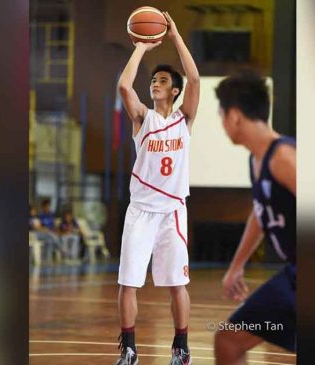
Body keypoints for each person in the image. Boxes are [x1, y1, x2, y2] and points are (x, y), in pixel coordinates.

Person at [114, 10, 200, 365]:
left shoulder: (184, 119)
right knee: (127, 284)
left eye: (162, 81)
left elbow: (194, 78)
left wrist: (176, 37)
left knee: (177, 285)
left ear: (175, 91)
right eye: (153, 81)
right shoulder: (142, 118)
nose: (155, 84)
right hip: (141, 211)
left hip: (173, 212)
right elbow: (123, 86)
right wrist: (141, 47)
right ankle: (130, 350)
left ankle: (181, 347)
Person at [213, 70, 297, 364]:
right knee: (228, 341)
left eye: (221, 115)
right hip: (295, 275)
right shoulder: (257, 159)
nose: (222, 124)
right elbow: (260, 215)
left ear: (234, 116)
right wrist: (236, 266)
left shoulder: (284, 157)